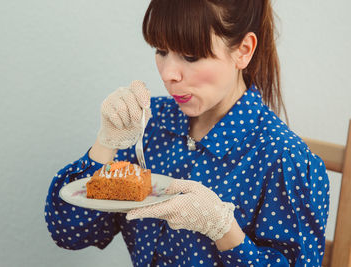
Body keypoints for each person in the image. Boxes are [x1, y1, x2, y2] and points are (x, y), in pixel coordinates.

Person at [45, 0, 329, 266]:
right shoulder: (149, 125)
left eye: (191, 56)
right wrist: (105, 144)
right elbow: (71, 233)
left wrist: (224, 230)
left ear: (243, 51)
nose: (168, 73)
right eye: (161, 51)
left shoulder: (283, 159)